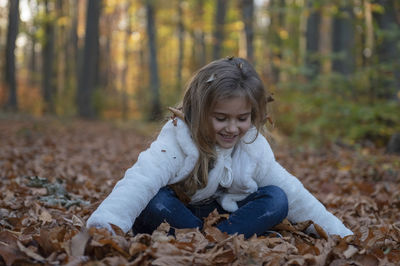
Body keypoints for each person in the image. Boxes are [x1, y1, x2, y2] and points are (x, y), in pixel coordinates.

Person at [86, 57, 353, 239]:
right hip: (179, 214)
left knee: (277, 198)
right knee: (155, 201)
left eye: (242, 118)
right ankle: (202, 239)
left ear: (254, 114)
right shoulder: (177, 141)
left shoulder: (252, 147)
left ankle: (217, 240)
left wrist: (341, 234)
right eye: (221, 118)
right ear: (200, 112)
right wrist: (106, 225)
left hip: (225, 219)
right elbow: (140, 179)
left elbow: (294, 193)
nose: (232, 128)